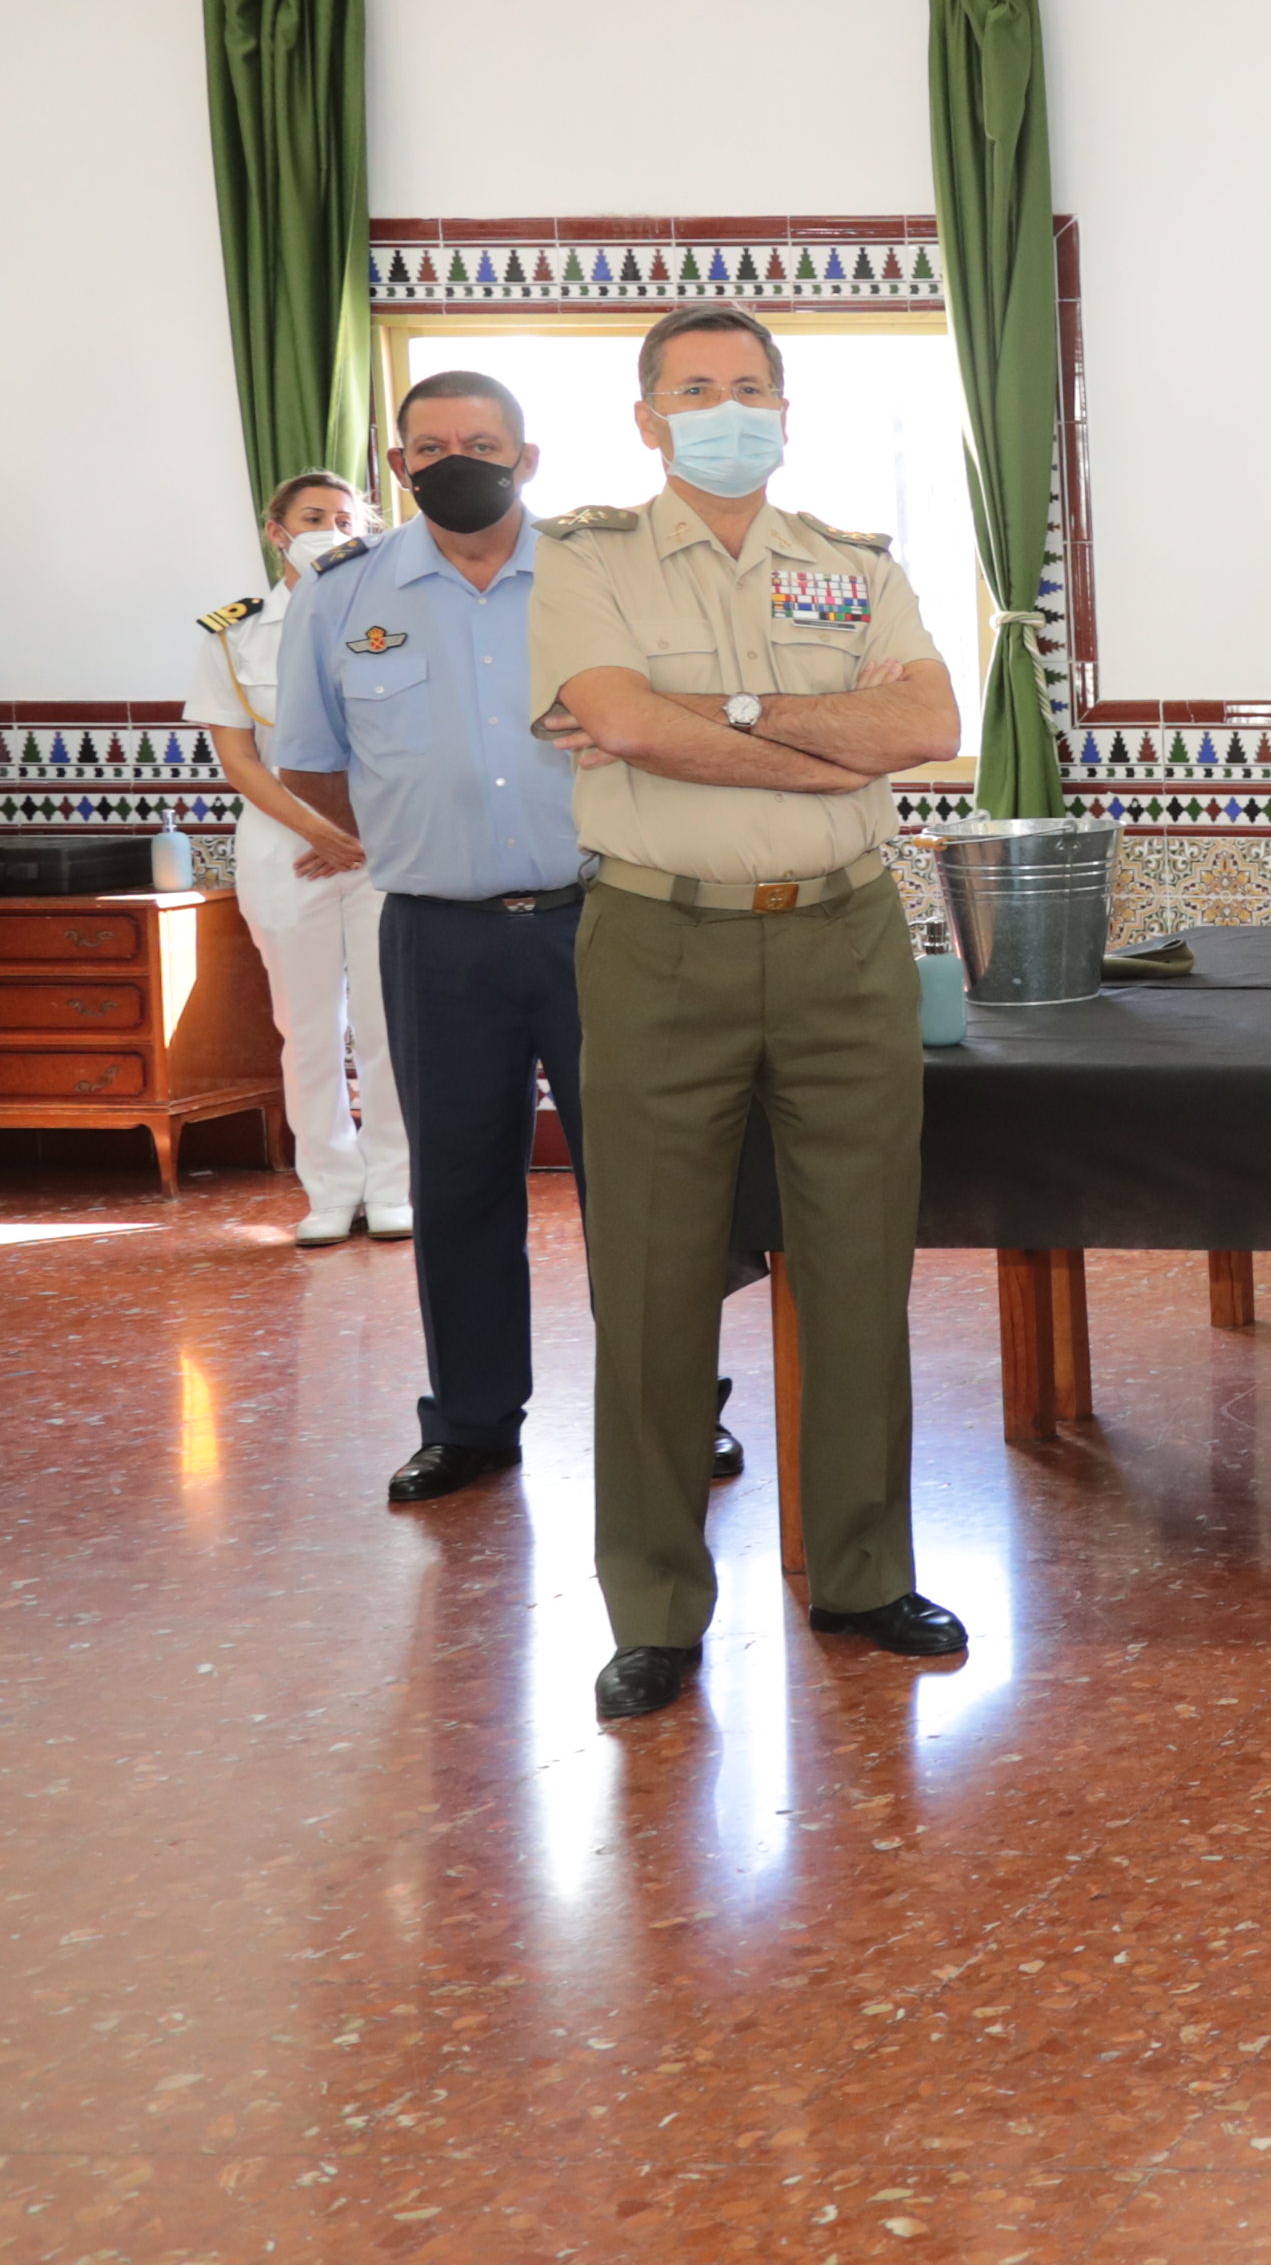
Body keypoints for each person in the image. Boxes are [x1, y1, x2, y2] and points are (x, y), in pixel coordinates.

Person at [529, 304, 965, 1724]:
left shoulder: (852, 567)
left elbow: (923, 727)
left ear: (787, 410)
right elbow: (624, 720)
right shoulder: (584, 560)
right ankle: (654, 1605)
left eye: (754, 386)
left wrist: (712, 709)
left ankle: (859, 1571)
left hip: (843, 945)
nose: (731, 407)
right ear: (647, 419)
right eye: (698, 388)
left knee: (859, 1268)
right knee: (652, 1286)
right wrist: (804, 743)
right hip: (660, 945)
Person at [274, 374, 748, 1507]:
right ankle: (474, 1422)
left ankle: (677, 1411)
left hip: (609, 918)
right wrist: (419, 833)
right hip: (438, 932)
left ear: (526, 459)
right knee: (460, 1186)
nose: (456, 460)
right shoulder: (344, 594)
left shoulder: (597, 575)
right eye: (429, 445)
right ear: (398, 467)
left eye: (480, 442)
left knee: (645, 1186)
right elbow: (309, 760)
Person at [183, 470, 411, 1249]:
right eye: (314, 516)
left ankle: (392, 1186)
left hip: (383, 845)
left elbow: (414, 740)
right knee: (308, 1028)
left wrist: (362, 834)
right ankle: (328, 1189)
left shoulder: (397, 619)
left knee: (392, 1024)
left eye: (347, 518)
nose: (332, 528)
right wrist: (320, 831)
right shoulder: (235, 632)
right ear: (277, 532)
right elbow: (239, 760)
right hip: (286, 847)